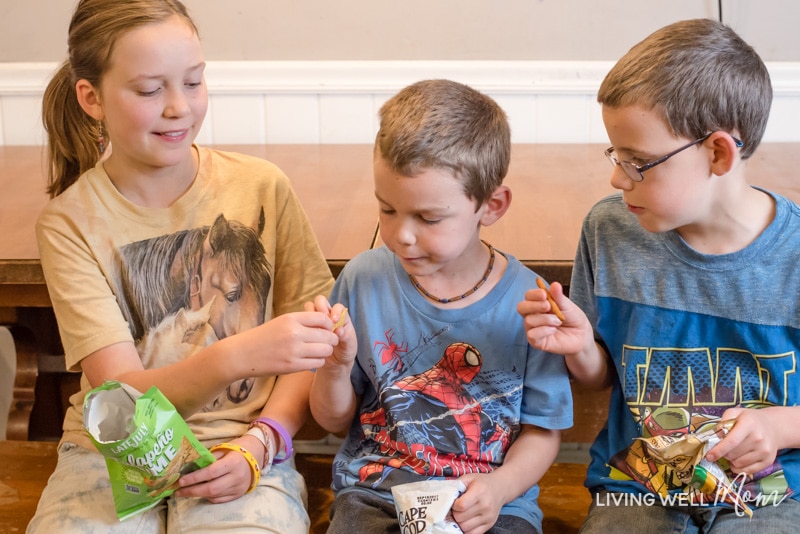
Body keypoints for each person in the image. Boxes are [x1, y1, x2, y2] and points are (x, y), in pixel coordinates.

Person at [28, 1, 339, 532]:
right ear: (91, 97)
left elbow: (313, 341)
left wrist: (263, 442)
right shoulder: (68, 223)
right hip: (112, 455)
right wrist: (239, 353)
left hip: (243, 450)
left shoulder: (262, 186)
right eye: (150, 90)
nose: (179, 107)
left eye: (193, 83)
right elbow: (123, 396)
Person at [518, 18, 800, 533]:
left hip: (775, 496)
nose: (616, 177)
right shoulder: (609, 229)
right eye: (616, 155)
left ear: (718, 153)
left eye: (639, 162)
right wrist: (581, 347)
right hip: (636, 488)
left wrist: (779, 425)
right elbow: (605, 375)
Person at [307, 79, 573, 534]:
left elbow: (544, 431)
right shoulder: (363, 280)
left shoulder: (530, 302)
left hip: (493, 504)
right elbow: (331, 422)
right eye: (387, 210)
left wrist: (501, 487)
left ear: (491, 205)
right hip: (375, 494)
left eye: (428, 218)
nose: (402, 235)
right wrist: (334, 368)